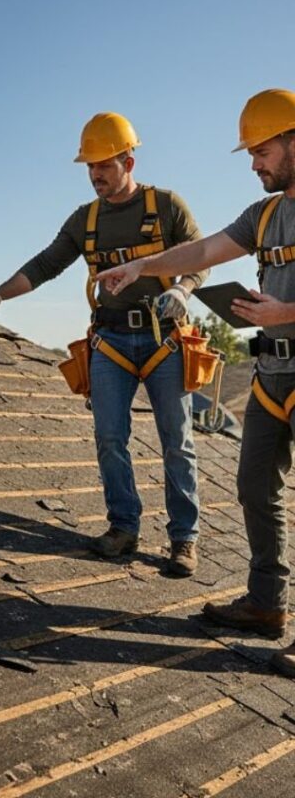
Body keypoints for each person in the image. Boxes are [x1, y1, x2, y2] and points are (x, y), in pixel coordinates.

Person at [98, 88, 295, 677]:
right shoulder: (264, 215)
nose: (254, 163)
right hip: (270, 374)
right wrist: (143, 267)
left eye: (262, 151)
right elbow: (204, 249)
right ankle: (266, 604)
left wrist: (289, 313)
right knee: (255, 489)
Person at [0, 112, 208, 576]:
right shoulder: (85, 219)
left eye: (104, 166)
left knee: (177, 441)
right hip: (111, 341)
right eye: (89, 167)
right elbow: (44, 264)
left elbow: (201, 255)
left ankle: (183, 539)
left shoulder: (165, 206)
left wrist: (182, 288)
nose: (95, 175)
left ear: (128, 161)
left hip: (163, 340)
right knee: (109, 438)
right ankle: (123, 527)